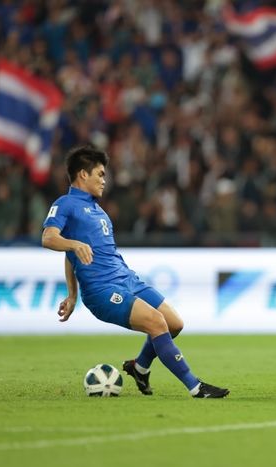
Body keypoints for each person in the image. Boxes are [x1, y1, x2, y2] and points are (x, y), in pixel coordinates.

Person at [41, 145, 229, 398]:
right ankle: (196, 387)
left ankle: (139, 367)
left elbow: (71, 255)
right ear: (83, 175)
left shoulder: (99, 211)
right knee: (156, 322)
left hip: (127, 279)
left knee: (174, 324)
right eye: (100, 174)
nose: (104, 180)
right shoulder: (65, 204)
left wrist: (71, 289)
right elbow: (50, 238)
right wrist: (74, 255)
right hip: (102, 290)